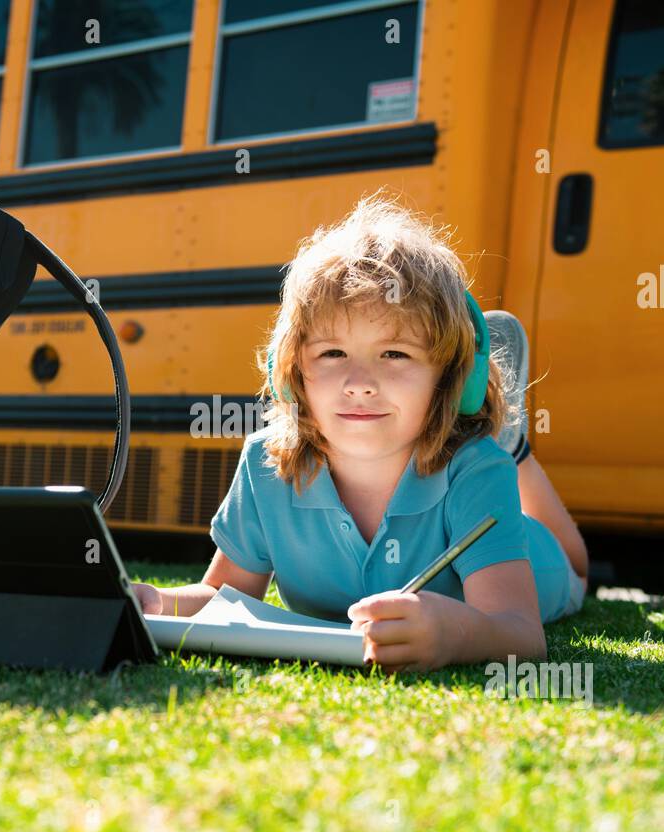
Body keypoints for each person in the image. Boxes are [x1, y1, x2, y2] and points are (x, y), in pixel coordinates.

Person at [132, 195, 588, 672]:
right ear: (290, 374)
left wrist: (451, 633)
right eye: (332, 354)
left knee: (574, 569)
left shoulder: (474, 471)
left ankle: (511, 446)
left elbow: (520, 631)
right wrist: (158, 602)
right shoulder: (265, 464)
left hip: (539, 562)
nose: (359, 383)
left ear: (450, 379)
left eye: (395, 354)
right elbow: (220, 598)